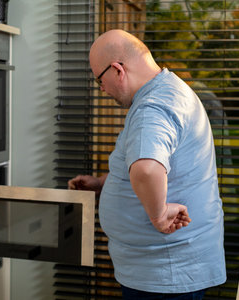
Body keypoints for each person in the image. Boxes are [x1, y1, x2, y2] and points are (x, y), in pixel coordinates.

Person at [68, 29, 226, 300]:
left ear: (117, 69)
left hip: (164, 275)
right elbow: (152, 164)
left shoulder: (155, 105)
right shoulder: (165, 93)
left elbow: (148, 168)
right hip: (162, 271)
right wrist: (103, 183)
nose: (102, 88)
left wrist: (159, 214)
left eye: (99, 80)